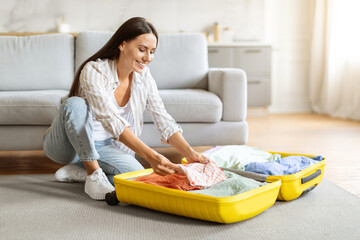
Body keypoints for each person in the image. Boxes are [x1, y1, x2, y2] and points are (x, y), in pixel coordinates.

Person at [43, 17, 208, 200]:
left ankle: (81, 172)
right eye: (142, 49)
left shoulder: (144, 77)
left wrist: (189, 152)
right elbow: (110, 120)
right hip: (67, 146)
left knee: (138, 175)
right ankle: (93, 174)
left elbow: (162, 117)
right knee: (74, 104)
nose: (148, 58)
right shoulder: (94, 70)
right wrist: (152, 156)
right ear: (123, 45)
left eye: (152, 52)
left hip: (104, 147)